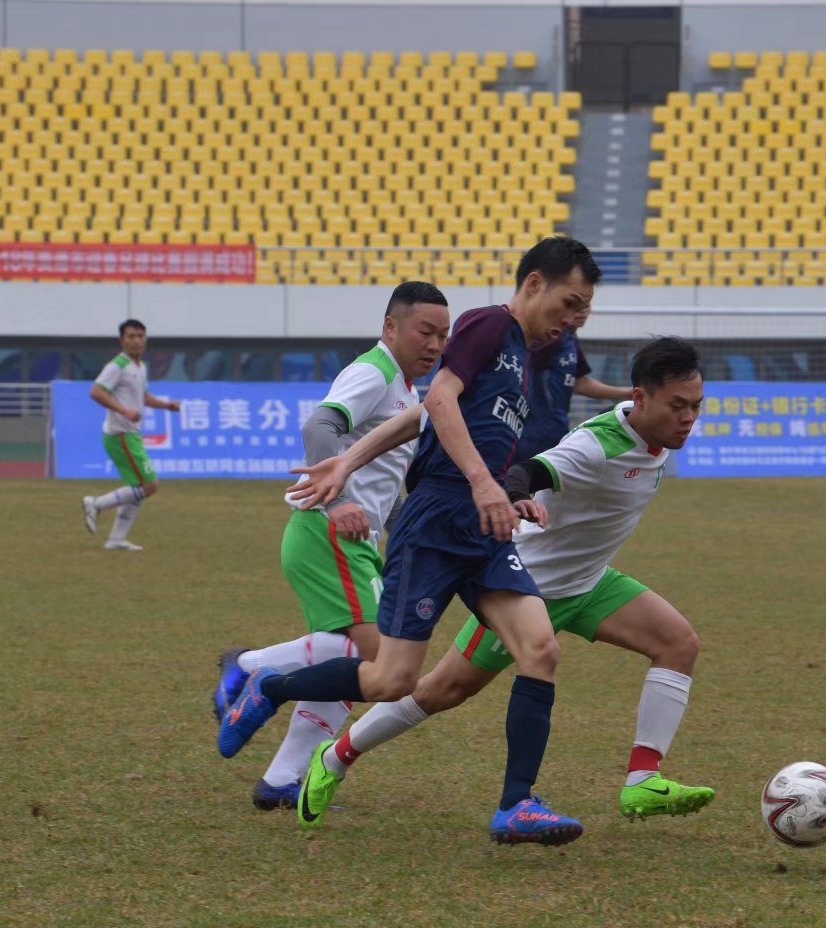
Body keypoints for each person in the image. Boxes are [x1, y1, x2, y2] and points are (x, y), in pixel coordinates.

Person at [214, 235, 601, 845]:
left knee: (541, 649)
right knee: (391, 679)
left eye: (584, 311)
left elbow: (425, 417)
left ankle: (516, 805)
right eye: (570, 303)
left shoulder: (526, 363)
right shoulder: (486, 327)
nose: (574, 321)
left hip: (484, 523)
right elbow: (439, 402)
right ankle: (271, 685)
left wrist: (505, 488)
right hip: (437, 520)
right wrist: (478, 483)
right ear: (533, 285)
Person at [293, 337, 711, 829]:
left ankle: (643, 780)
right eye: (677, 406)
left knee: (679, 643)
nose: (688, 417)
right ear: (641, 399)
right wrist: (515, 494)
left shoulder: (651, 436)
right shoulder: (598, 443)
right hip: (528, 588)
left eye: (696, 406)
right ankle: (335, 755)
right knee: (438, 692)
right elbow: (529, 470)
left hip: (591, 584)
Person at [213, 282, 450, 810]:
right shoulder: (375, 370)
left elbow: (386, 485)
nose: (435, 345)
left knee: (360, 666)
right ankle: (251, 673)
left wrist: (397, 536)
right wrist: (338, 497)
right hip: (331, 533)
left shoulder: (408, 393)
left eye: (443, 335)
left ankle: (281, 775)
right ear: (391, 327)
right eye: (424, 331)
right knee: (379, 659)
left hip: (352, 541)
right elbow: (321, 423)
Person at [80, 319, 179, 551]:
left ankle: (116, 539)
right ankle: (95, 504)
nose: (136, 340)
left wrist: (166, 406)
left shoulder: (140, 367)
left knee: (137, 487)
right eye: (131, 336)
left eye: (140, 336)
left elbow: (142, 396)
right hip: (120, 434)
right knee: (150, 485)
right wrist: (123, 410)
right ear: (121, 340)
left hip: (131, 434)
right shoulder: (117, 365)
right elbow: (96, 391)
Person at [518, 302, 631, 460]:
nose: (581, 311)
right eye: (574, 305)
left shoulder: (570, 339)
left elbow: (580, 382)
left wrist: (627, 393)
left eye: (586, 305)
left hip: (556, 428)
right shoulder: (549, 337)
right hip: (531, 432)